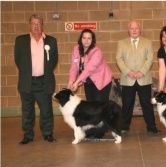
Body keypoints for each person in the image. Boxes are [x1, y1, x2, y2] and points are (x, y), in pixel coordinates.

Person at [14, 14, 58, 145]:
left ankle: (48, 133)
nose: (36, 26)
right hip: (27, 81)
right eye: (33, 23)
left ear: (42, 25)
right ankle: (28, 134)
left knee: (46, 109)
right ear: (30, 25)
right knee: (27, 110)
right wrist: (27, 72)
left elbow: (54, 60)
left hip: (44, 81)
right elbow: (18, 59)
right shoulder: (21, 40)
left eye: (38, 23)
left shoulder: (51, 41)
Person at [116, 20, 161, 134]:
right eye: (132, 28)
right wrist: (128, 72)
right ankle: (124, 126)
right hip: (127, 79)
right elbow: (119, 59)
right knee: (127, 104)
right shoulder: (121, 43)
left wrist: (142, 72)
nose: (134, 30)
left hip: (144, 78)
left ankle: (151, 126)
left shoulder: (147, 42)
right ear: (128, 30)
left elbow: (150, 58)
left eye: (136, 28)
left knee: (147, 104)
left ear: (140, 30)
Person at [68, 29, 113, 138]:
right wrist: (71, 81)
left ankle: (101, 131)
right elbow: (74, 67)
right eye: (84, 38)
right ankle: (92, 130)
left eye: (89, 38)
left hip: (102, 81)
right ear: (81, 39)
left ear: (92, 40)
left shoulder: (96, 52)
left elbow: (88, 69)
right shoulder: (76, 49)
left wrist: (77, 82)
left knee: (99, 107)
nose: (86, 40)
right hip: (88, 81)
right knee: (90, 106)